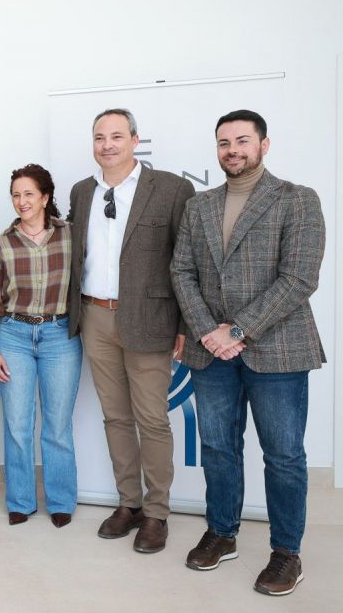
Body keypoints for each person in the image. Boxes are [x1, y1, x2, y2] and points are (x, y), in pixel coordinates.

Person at [171, 110, 325, 596]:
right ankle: (222, 532)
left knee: (282, 456)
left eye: (242, 140)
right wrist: (207, 332)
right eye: (223, 142)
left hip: (276, 350)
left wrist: (237, 329)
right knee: (218, 448)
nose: (232, 149)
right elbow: (182, 273)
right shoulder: (199, 206)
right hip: (212, 353)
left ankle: (286, 553)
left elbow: (299, 278)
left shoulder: (297, 200)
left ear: (264, 144)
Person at [66, 108, 194, 554]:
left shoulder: (172, 189)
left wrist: (183, 324)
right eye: (99, 136)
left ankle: (157, 513)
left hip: (150, 319)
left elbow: (186, 261)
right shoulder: (83, 192)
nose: (107, 145)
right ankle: (129, 503)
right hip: (95, 316)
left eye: (117, 136)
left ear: (136, 140)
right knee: (115, 416)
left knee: (152, 420)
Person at [0, 165, 81, 527]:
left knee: (57, 425)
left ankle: (61, 500)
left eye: (28, 194)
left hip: (60, 336)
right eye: (15, 195)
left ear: (45, 197)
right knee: (18, 424)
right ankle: (20, 500)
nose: (21, 201)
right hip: (14, 336)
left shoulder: (71, 236)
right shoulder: (2, 243)